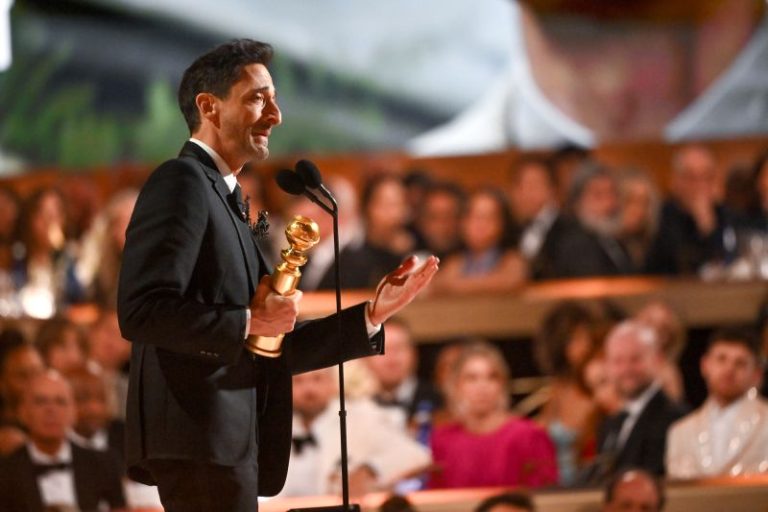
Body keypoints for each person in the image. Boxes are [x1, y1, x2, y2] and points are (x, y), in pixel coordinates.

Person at [116, 39, 438, 512]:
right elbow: (141, 312)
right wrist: (248, 321)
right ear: (209, 106)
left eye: (274, 98)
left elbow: (271, 343)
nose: (276, 114)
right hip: (198, 437)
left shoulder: (226, 198)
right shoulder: (181, 181)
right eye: (257, 98)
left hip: (227, 440)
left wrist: (372, 314)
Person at [280, 367, 431, 498]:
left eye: (317, 379)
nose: (309, 389)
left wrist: (370, 470)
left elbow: (415, 454)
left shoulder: (360, 417)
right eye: (298, 381)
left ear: (332, 383)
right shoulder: (273, 426)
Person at [429, 341, 557, 489]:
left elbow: (546, 494)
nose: (482, 386)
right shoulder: (443, 439)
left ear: (502, 384)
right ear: (456, 386)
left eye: (492, 377)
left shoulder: (529, 435)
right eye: (471, 378)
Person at [0, 371, 126, 511]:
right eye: (40, 401)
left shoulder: (104, 464)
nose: (51, 409)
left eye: (60, 401)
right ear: (22, 412)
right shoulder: (5, 472)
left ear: (74, 412)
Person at [586, 321, 686, 484]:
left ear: (657, 359)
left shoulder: (677, 420)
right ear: (608, 366)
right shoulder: (609, 424)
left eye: (635, 359)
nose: (626, 369)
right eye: (618, 361)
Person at [666, 328, 768, 479]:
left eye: (740, 363)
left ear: (756, 374)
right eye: (721, 359)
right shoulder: (680, 432)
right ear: (704, 365)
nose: (729, 369)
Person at [534, 301, 601, 486]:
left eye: (586, 338)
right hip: (553, 486)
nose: (583, 346)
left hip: (589, 485)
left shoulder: (598, 390)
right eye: (575, 339)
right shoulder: (556, 389)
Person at [645, 144, 737, 276]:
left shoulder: (724, 214)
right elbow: (675, 262)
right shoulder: (661, 215)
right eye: (691, 178)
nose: (700, 186)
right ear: (675, 181)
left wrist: (708, 227)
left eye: (707, 177)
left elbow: (728, 261)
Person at [429, 188, 526, 295]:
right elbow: (439, 285)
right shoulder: (455, 262)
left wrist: (458, 286)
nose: (480, 225)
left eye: (488, 217)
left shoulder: (512, 260)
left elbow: (509, 281)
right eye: (473, 217)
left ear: (503, 224)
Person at [550, 163, 634, 278]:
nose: (609, 203)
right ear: (577, 202)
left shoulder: (612, 236)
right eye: (598, 195)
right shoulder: (575, 244)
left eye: (612, 193)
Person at [366, 317, 442, 431]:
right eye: (381, 349)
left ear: (414, 353)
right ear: (364, 357)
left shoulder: (439, 401)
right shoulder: (352, 405)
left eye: (398, 348)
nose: (391, 357)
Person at [507, 155, 568, 280]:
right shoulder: (512, 230)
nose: (524, 192)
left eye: (532, 184)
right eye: (520, 185)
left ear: (552, 189)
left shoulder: (570, 231)